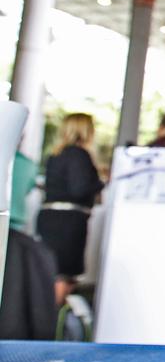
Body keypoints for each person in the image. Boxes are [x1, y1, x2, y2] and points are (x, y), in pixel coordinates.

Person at [35, 113, 105, 306]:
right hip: (67, 223)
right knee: (64, 275)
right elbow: (79, 188)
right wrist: (100, 183)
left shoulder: (56, 154)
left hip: (50, 219)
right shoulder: (78, 154)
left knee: (53, 272)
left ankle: (48, 322)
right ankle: (51, 327)